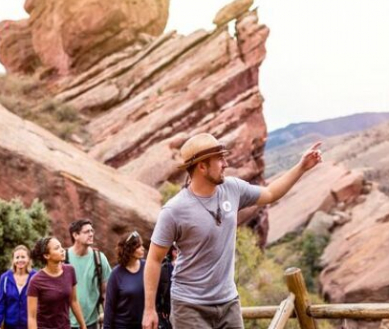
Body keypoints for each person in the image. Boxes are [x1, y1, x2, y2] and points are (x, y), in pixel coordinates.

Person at [142, 133, 323, 329]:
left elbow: (270, 193)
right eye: (219, 159)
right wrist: (149, 309)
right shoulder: (174, 210)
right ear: (202, 166)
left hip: (228, 302)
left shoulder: (232, 189)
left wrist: (301, 167)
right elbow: (154, 259)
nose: (225, 164)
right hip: (189, 307)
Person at [27, 237, 87, 329]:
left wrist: (83, 326)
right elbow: (32, 317)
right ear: (46, 255)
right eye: (57, 248)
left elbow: (74, 301)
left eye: (61, 247)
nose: (62, 250)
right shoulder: (35, 281)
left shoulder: (70, 271)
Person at [67, 219, 112, 329]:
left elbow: (107, 292)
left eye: (92, 231)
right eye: (87, 232)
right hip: (65, 322)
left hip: (92, 322)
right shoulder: (64, 258)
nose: (91, 234)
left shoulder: (99, 259)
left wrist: (107, 315)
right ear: (75, 235)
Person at [103, 231, 146, 329]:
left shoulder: (147, 268)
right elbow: (109, 306)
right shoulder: (116, 274)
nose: (143, 248)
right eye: (139, 246)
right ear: (130, 250)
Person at [0, 245, 37, 329]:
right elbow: (1, 304)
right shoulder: (5, 278)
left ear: (28, 259)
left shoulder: (35, 277)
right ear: (13, 260)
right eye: (17, 257)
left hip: (30, 325)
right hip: (10, 325)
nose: (20, 260)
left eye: (23, 257)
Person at [155, 245, 177, 329]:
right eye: (175, 249)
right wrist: (161, 309)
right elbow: (160, 289)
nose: (176, 251)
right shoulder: (165, 268)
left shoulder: (186, 265)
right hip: (169, 307)